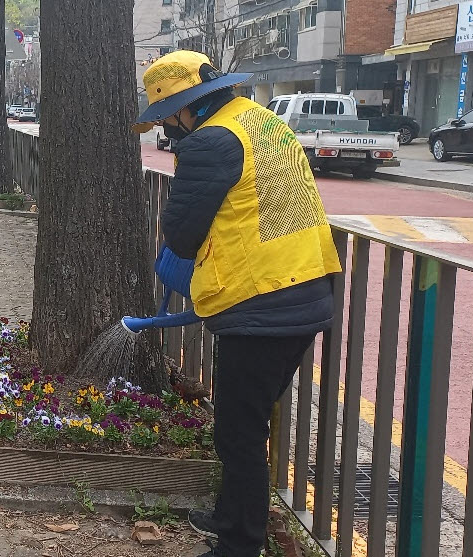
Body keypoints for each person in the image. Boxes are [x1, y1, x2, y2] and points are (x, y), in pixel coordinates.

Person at [133, 51, 342, 557]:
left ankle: (240, 544)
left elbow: (181, 235)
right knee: (241, 421)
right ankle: (230, 514)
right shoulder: (262, 122)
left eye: (167, 112)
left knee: (239, 433)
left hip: (262, 302)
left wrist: (182, 175)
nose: (165, 122)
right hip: (305, 285)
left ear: (188, 107)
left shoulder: (210, 142)